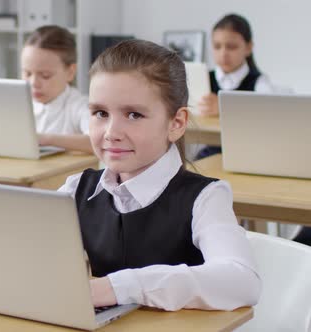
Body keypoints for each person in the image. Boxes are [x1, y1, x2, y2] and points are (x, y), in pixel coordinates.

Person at [58, 39, 261, 311]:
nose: (111, 132)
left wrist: (121, 287)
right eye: (100, 113)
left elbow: (243, 282)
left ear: (176, 124)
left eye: (133, 114)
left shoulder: (205, 198)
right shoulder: (76, 189)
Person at [196, 13, 274, 159]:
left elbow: (270, 120)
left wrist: (224, 109)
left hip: (248, 154)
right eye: (217, 46)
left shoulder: (260, 83)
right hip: (210, 153)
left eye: (231, 47)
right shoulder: (203, 78)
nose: (223, 53)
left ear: (249, 47)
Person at [21, 25, 92, 153]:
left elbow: (97, 142)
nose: (34, 83)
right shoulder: (18, 105)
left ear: (70, 72)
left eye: (45, 76)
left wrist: (46, 139)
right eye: (27, 73)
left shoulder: (80, 106)